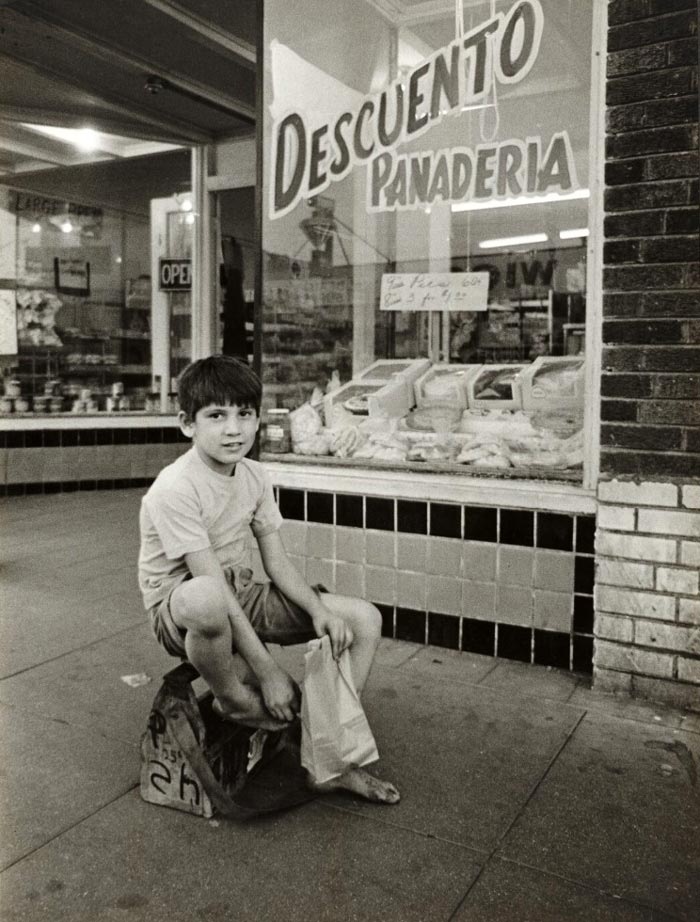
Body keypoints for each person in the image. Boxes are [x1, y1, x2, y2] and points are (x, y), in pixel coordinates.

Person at [138, 354, 399, 804]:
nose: (233, 429)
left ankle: (328, 760)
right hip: (181, 608)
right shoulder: (175, 486)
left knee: (363, 619)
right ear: (187, 424)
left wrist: (317, 610)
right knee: (206, 597)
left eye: (244, 414)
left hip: (239, 591)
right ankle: (232, 699)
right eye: (216, 416)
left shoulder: (256, 475)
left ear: (259, 420)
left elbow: (276, 564)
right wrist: (269, 671)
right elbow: (211, 586)